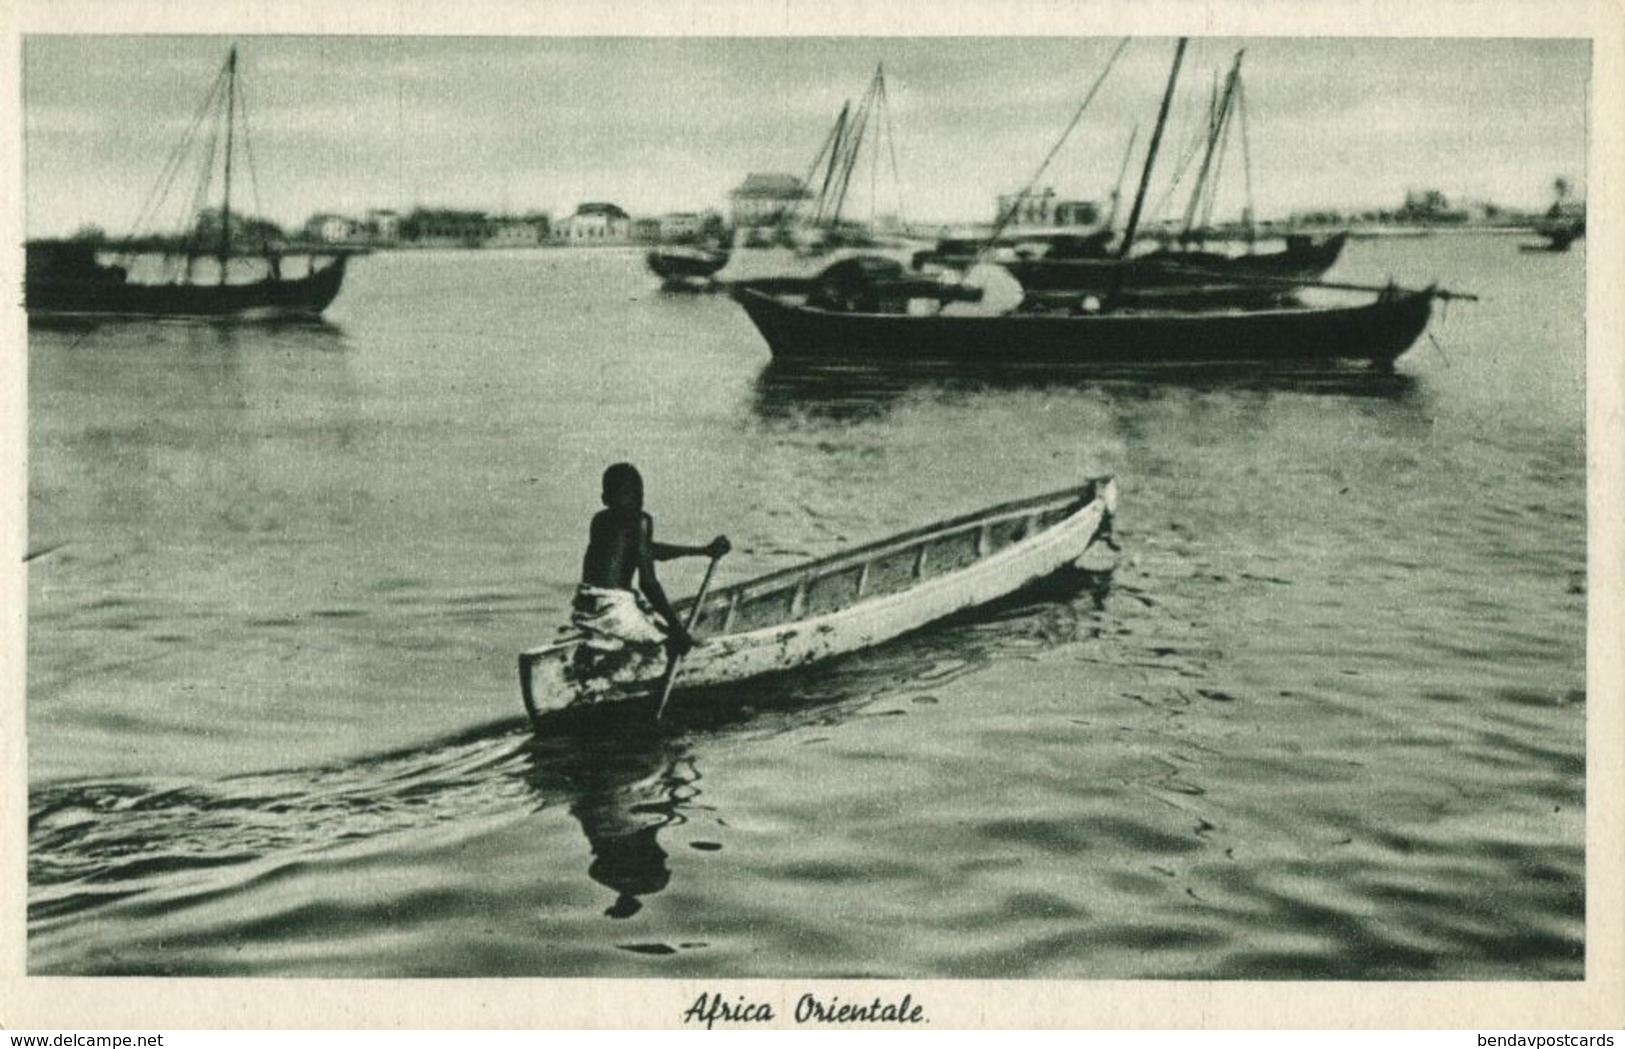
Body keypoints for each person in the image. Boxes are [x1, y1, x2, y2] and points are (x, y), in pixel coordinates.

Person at [574, 463, 729, 665]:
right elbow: (648, 584)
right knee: (671, 641)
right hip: (614, 611)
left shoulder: (599, 521)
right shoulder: (640, 520)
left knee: (654, 620)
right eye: (637, 496)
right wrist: (678, 631)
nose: (638, 502)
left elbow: (646, 551)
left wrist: (703, 551)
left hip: (586, 609)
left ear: (604, 498)